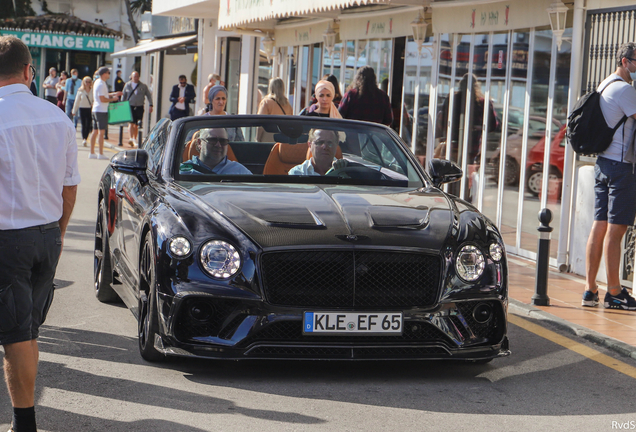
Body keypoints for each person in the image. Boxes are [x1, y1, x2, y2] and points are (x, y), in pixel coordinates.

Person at [0, 35, 80, 432]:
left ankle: (24, 423)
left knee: (17, 335)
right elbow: (69, 188)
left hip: (8, 238)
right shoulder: (58, 117)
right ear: (30, 72)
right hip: (47, 234)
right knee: (26, 330)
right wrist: (59, 234)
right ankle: (23, 421)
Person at [582, 42, 636, 311]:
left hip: (602, 163)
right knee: (617, 231)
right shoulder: (625, 90)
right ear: (625, 61)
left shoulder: (605, 83)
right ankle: (614, 292)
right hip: (620, 167)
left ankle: (590, 289)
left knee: (599, 225)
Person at [180, 128, 251, 175]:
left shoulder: (240, 171)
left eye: (223, 141)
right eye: (212, 140)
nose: (218, 145)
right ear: (199, 143)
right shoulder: (182, 171)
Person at [90, 67, 122, 159]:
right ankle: (100, 153)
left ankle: (92, 152)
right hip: (101, 110)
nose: (109, 74)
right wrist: (113, 99)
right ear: (104, 74)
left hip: (96, 109)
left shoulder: (98, 82)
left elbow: (103, 95)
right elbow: (102, 99)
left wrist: (114, 94)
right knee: (101, 132)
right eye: (108, 72)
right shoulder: (101, 84)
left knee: (95, 131)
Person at [121, 71, 153, 147]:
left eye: (137, 76)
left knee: (137, 124)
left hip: (139, 106)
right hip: (130, 106)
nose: (136, 78)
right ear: (131, 77)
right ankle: (131, 138)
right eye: (134, 76)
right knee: (131, 123)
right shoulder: (127, 85)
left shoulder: (143, 86)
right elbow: (124, 96)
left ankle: (134, 139)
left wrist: (151, 105)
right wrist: (122, 106)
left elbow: (148, 95)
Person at [72, 76, 94, 146]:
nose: (87, 83)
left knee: (88, 124)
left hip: (90, 109)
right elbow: (77, 101)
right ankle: (84, 138)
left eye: (89, 82)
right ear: (83, 82)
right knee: (83, 124)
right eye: (86, 82)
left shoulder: (93, 90)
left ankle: (86, 138)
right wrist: (74, 110)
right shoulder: (80, 91)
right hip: (82, 108)